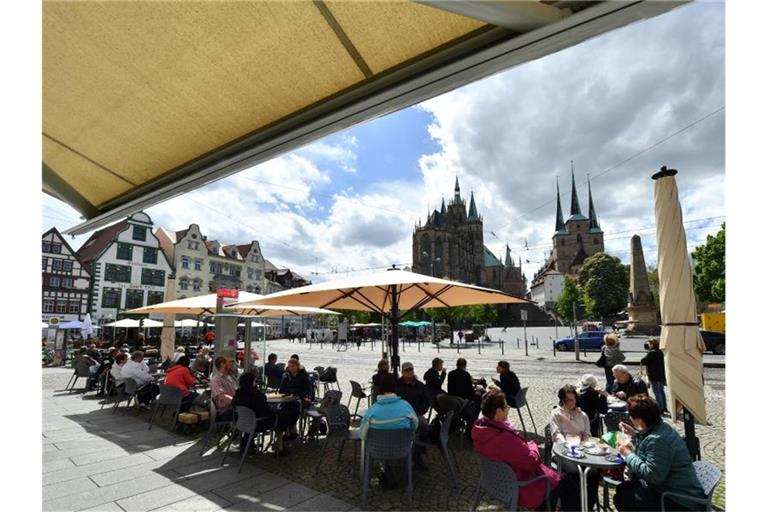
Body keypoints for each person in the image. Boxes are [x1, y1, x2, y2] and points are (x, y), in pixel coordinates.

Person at [472, 389, 577, 511]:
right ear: (498, 411)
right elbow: (532, 462)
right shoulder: (504, 438)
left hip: (492, 482)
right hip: (518, 485)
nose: (508, 409)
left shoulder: (481, 429)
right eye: (506, 406)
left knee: (558, 488)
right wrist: (532, 445)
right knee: (567, 484)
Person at [615, 395, 706, 511]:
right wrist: (635, 434)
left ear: (640, 420)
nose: (630, 419)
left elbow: (653, 476)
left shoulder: (658, 440)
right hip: (671, 487)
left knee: (622, 499)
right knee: (623, 488)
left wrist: (628, 454)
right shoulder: (661, 428)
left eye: (632, 416)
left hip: (681, 500)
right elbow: (649, 450)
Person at [359, 373, 419, 485]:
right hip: (402, 450)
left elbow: (362, 434)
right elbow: (415, 426)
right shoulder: (406, 406)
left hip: (377, 451)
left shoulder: (372, 411)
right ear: (395, 388)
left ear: (380, 389)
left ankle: (382, 471)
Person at [549, 385, 600, 510]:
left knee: (593, 473)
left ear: (576, 400)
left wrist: (583, 446)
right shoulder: (556, 414)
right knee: (574, 473)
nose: (568, 403)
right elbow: (556, 434)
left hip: (581, 450)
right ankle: (573, 507)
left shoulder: (583, 415)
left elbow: (587, 434)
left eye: (571, 400)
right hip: (562, 451)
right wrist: (567, 446)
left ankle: (588, 506)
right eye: (565, 400)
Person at [232, 372, 299, 456]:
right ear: (251, 382)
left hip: (242, 423)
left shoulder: (238, 394)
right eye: (254, 381)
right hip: (258, 424)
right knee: (283, 418)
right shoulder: (257, 396)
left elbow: (234, 406)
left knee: (280, 416)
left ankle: (248, 445)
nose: (255, 383)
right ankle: (280, 447)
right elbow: (267, 413)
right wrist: (276, 412)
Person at [641, 338, 668, 414]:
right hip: (661, 375)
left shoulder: (651, 353)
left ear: (652, 345)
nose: (648, 345)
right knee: (661, 391)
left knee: (657, 392)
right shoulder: (661, 352)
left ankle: (660, 408)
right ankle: (664, 407)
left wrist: (648, 352)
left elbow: (643, 361)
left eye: (649, 344)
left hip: (654, 375)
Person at [210, 356, 237, 422]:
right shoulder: (216, 380)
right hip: (226, 410)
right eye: (230, 362)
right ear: (222, 364)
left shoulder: (232, 377)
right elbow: (223, 397)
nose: (233, 363)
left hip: (235, 407)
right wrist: (238, 402)